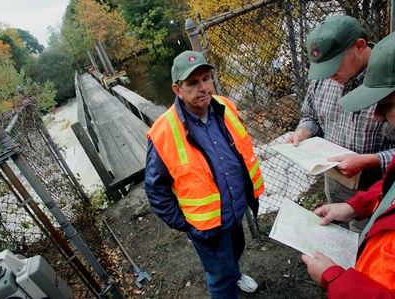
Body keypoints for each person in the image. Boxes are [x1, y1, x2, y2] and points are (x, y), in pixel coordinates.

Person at [145, 50, 265, 298]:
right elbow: (156, 190)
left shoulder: (225, 107)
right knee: (220, 280)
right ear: (177, 90)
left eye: (206, 78)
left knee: (237, 248)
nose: (203, 88)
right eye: (193, 83)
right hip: (208, 225)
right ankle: (229, 280)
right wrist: (186, 224)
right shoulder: (163, 132)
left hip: (235, 210)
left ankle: (236, 273)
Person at [301, 31, 395, 297]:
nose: (376, 117)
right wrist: (354, 207)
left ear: (359, 47)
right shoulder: (321, 83)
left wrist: (335, 280)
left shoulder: (382, 76)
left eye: (386, 107)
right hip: (345, 189)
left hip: (368, 181)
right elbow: (310, 117)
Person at [285, 15, 395, 232]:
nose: (329, 74)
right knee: (334, 234)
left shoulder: (386, 81)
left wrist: (371, 161)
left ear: (360, 46)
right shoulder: (324, 78)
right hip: (333, 180)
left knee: (361, 243)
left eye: (334, 65)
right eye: (323, 69)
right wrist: (304, 131)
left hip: (374, 187)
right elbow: (311, 116)